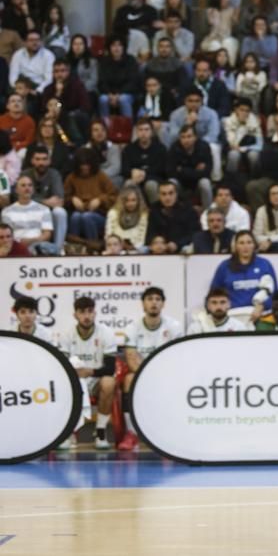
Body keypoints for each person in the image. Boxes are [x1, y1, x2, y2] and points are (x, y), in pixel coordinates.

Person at [117, 286, 185, 450]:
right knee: (129, 379)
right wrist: (151, 375)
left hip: (167, 373)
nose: (154, 303)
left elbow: (177, 358)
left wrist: (161, 375)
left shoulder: (174, 327)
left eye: (157, 299)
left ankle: (168, 432)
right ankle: (132, 433)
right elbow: (132, 361)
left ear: (163, 304)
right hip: (141, 373)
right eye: (149, 299)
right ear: (143, 305)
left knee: (177, 380)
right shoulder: (132, 328)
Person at [59, 297, 120, 449]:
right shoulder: (66, 335)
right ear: (75, 315)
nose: (86, 316)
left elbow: (111, 368)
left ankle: (100, 432)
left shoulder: (106, 333)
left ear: (95, 313)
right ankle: (68, 432)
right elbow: (61, 366)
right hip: (74, 380)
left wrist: (89, 371)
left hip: (95, 380)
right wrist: (75, 374)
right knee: (61, 384)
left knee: (109, 382)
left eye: (90, 311)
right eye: (82, 312)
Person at [211, 229, 278, 323]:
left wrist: (262, 306)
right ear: (235, 246)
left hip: (260, 315)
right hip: (232, 316)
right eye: (241, 243)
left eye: (249, 242)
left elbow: (275, 293)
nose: (245, 246)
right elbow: (214, 293)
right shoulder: (224, 266)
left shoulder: (265, 264)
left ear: (254, 245)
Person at [64, 148, 116, 242]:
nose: (85, 167)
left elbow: (114, 196)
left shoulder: (101, 176)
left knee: (87, 217)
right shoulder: (71, 178)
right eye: (82, 165)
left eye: (87, 164)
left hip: (99, 214)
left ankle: (93, 246)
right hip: (79, 212)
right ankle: (74, 247)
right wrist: (72, 199)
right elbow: (63, 197)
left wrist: (100, 200)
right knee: (76, 216)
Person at [2, 175, 57, 254]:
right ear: (16, 190)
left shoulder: (44, 209)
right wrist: (22, 243)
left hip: (39, 246)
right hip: (16, 247)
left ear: (33, 189)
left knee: (49, 248)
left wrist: (31, 241)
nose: (27, 188)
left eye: (30, 185)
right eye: (23, 185)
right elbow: (7, 236)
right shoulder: (7, 212)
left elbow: (47, 234)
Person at [165, 123, 214, 208]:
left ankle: (208, 212)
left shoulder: (204, 147)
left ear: (195, 137)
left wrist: (182, 170)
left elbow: (207, 172)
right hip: (181, 185)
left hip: (197, 185)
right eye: (183, 137)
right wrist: (196, 171)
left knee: (205, 183)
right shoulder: (174, 148)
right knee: (172, 182)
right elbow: (170, 172)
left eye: (189, 136)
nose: (186, 140)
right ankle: (172, 211)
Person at [121, 118, 168, 202]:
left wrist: (144, 174)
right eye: (140, 130)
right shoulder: (129, 149)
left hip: (154, 179)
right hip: (135, 179)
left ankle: (155, 211)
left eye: (146, 130)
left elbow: (162, 169)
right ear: (136, 132)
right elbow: (124, 169)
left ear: (152, 132)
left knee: (150, 185)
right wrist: (132, 172)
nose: (143, 133)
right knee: (128, 184)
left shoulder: (160, 148)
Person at [147, 181, 198, 253]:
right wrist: (156, 241)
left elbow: (194, 233)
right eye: (163, 194)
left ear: (176, 194)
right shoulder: (154, 210)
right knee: (143, 249)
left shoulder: (188, 209)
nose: (167, 197)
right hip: (160, 249)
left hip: (182, 248)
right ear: (159, 196)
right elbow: (150, 233)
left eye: (171, 193)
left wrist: (177, 244)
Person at [98, 37, 140, 118]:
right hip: (109, 93)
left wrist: (118, 95)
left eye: (119, 45)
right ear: (109, 48)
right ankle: (105, 126)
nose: (116, 48)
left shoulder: (131, 60)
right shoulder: (104, 62)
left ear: (123, 47)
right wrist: (109, 94)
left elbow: (133, 82)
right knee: (102, 99)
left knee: (123, 99)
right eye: (113, 45)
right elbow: (102, 82)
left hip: (127, 93)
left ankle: (128, 126)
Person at [106, 185, 149, 253]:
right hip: (115, 250)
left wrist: (132, 248)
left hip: (136, 250)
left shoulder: (143, 215)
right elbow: (108, 235)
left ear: (138, 201)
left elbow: (141, 239)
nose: (130, 204)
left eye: (133, 200)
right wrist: (118, 247)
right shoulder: (113, 213)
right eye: (127, 200)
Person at [201, 0, 240, 64]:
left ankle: (229, 69)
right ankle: (217, 70)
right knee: (215, 45)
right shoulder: (209, 11)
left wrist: (235, 20)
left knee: (228, 42)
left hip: (228, 38)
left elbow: (237, 30)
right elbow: (203, 31)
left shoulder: (233, 10)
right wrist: (210, 22)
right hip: (211, 40)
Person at [9, 29, 54, 93]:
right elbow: (13, 75)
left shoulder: (48, 55)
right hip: (21, 85)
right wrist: (17, 88)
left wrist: (38, 90)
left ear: (41, 41)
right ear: (25, 42)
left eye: (37, 40)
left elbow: (49, 79)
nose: (35, 43)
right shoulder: (18, 54)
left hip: (38, 86)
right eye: (31, 40)